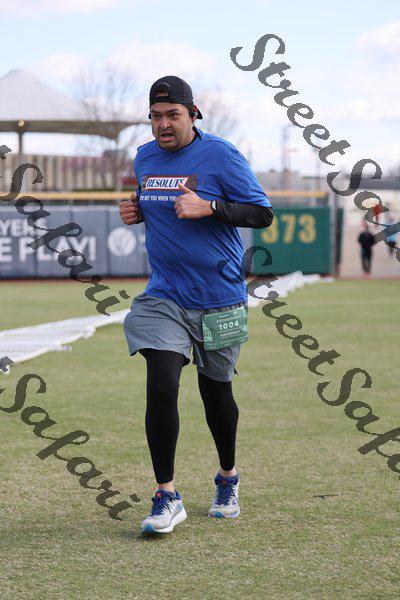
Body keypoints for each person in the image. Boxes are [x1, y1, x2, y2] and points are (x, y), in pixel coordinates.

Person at [119, 75, 273, 535]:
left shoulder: (221, 155)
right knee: (162, 381)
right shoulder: (144, 157)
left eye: (173, 115)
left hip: (220, 297)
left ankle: (227, 477)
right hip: (164, 295)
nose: (163, 125)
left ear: (193, 114)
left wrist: (211, 207)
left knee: (216, 392)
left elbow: (261, 213)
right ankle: (166, 495)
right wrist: (137, 210)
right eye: (156, 116)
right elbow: (157, 203)